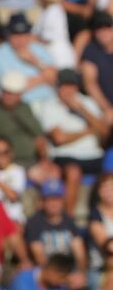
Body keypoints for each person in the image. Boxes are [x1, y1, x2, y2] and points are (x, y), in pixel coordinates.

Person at [40, 68, 109, 212]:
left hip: (93, 155)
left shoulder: (87, 103)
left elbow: (104, 131)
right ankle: (68, 218)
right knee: (73, 172)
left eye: (71, 85)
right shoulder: (50, 106)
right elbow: (59, 138)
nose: (68, 90)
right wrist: (89, 130)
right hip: (65, 155)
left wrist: (83, 110)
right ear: (58, 87)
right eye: (64, 86)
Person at [25, 179, 89, 286]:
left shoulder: (69, 222)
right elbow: (39, 256)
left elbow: (80, 253)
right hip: (46, 271)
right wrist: (62, 277)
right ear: (43, 202)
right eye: (49, 199)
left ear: (62, 201)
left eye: (57, 199)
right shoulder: (34, 223)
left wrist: (80, 273)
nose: (53, 203)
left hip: (67, 269)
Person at [0, 71, 47, 168]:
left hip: (32, 160)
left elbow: (39, 137)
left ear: (20, 95)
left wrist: (44, 160)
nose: (7, 96)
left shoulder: (25, 108)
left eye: (12, 93)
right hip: (6, 163)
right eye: (5, 92)